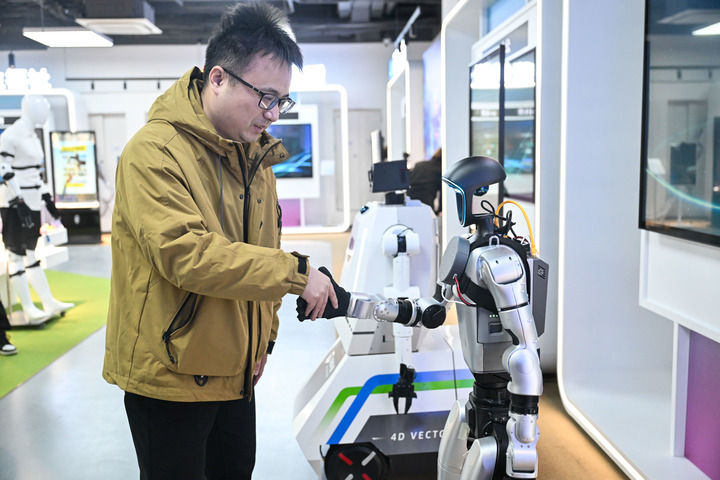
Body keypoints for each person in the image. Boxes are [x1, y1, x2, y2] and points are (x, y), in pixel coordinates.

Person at [102, 2, 338, 479]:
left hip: (237, 371)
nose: (273, 114)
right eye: (265, 97)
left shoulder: (254, 157)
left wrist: (262, 342)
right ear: (217, 78)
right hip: (170, 376)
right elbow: (188, 256)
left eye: (282, 101)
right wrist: (296, 274)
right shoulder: (153, 152)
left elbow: (262, 247)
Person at [0, 94, 74, 325]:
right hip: (14, 204)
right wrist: (18, 199)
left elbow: (33, 171)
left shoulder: (32, 136)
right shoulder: (11, 135)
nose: (45, 112)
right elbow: (3, 166)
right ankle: (28, 308)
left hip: (31, 201)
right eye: (41, 108)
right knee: (16, 255)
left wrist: (46, 199)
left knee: (31, 253)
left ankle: (47, 301)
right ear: (29, 109)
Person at [407, 147, 443, 214]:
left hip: (409, 199)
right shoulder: (440, 169)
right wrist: (440, 211)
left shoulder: (419, 164)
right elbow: (443, 193)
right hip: (426, 204)